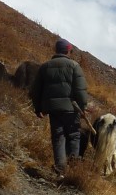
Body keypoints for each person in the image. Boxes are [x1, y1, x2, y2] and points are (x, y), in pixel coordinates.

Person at [29, 38, 89, 177]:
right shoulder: (74, 66)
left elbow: (35, 90)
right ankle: (73, 169)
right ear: (68, 50)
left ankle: (61, 170)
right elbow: (80, 90)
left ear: (56, 50)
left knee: (58, 137)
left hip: (53, 109)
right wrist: (82, 107)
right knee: (74, 136)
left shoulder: (45, 67)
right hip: (72, 109)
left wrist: (38, 108)